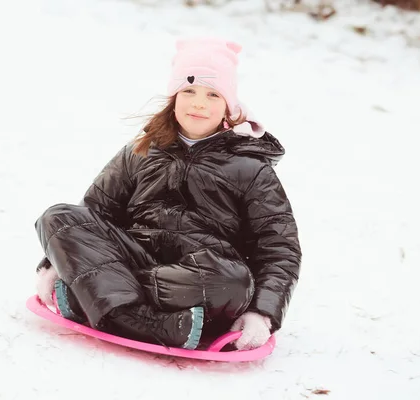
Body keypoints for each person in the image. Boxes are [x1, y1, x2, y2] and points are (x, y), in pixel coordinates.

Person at [34, 37, 302, 351]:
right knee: (58, 216)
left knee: (233, 281)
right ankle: (155, 324)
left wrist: (262, 312)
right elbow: (96, 211)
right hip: (132, 256)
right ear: (174, 97)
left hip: (197, 278)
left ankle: (97, 299)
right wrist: (57, 263)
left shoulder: (249, 168)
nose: (198, 103)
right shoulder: (142, 149)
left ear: (229, 105)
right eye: (189, 91)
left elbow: (278, 248)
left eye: (212, 94)